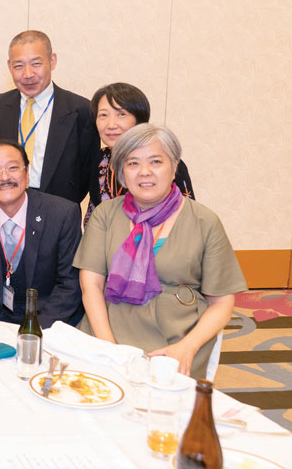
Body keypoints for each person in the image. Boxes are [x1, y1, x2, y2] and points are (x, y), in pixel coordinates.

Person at [73, 124, 246, 378]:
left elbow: (221, 303)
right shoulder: (105, 215)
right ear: (121, 171)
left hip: (175, 340)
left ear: (174, 166)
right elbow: (91, 287)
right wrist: (109, 349)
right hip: (105, 333)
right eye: (132, 163)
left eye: (156, 161)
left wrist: (186, 348)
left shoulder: (204, 221)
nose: (144, 172)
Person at [0, 140, 83, 328]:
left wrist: (34, 329)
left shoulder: (62, 213)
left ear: (27, 173)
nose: (4, 177)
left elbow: (70, 283)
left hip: (49, 321)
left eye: (13, 168)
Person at [0, 30, 97, 205]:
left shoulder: (81, 110)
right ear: (9, 66)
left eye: (36, 64)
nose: (28, 74)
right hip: (5, 206)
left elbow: (88, 173)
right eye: (18, 66)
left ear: (52, 61)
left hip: (59, 208)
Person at [86, 82, 194, 225]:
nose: (111, 124)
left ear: (139, 120)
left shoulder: (165, 161)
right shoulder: (99, 159)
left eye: (121, 114)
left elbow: (188, 219)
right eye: (103, 115)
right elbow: (93, 214)